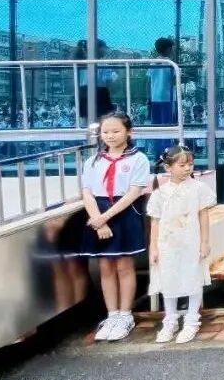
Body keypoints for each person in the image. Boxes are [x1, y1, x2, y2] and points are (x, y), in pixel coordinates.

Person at [80, 113, 151, 342]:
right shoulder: (92, 161)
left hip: (124, 213)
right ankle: (111, 315)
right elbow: (87, 192)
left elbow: (133, 193)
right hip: (98, 214)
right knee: (105, 266)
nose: (110, 136)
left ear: (129, 132)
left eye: (116, 131)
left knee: (123, 265)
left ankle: (125, 314)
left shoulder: (138, 159)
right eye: (105, 132)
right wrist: (98, 219)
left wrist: (105, 218)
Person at [147, 146, 216, 345]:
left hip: (191, 242)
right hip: (167, 244)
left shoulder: (198, 189)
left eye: (190, 164)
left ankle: (192, 319)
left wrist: (204, 242)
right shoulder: (160, 193)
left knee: (193, 278)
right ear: (168, 167)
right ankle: (170, 319)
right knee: (168, 279)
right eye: (182, 165)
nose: (187, 168)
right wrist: (153, 247)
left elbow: (203, 215)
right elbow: (155, 222)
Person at [147, 37, 176, 125]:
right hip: (167, 98)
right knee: (167, 123)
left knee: (156, 123)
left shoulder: (152, 63)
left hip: (154, 97)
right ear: (168, 49)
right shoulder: (171, 64)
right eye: (172, 48)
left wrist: (148, 97)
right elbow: (174, 80)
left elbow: (148, 82)